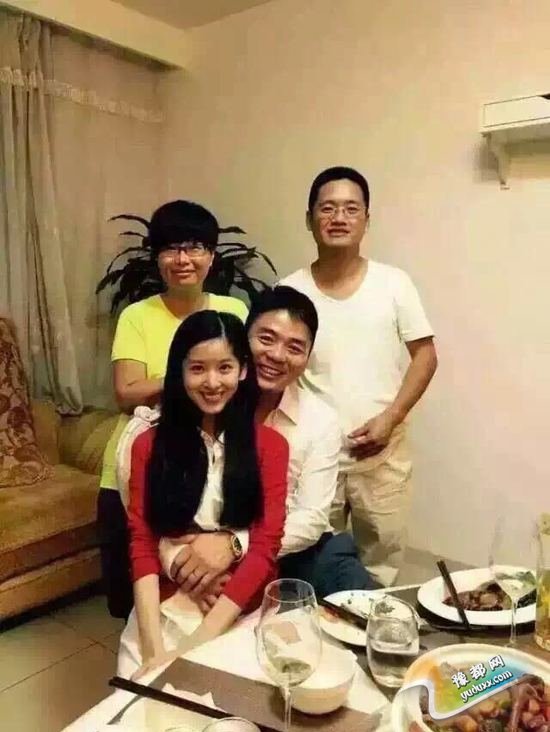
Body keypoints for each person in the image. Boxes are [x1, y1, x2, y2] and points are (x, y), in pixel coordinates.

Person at [164, 286, 380, 606]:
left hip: (296, 549)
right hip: (205, 537)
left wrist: (235, 545)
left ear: (307, 357)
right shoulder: (211, 397)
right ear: (243, 338)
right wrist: (195, 557)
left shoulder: (320, 420)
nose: (277, 355)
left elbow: (311, 517)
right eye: (266, 339)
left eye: (295, 347)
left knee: (370, 606)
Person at [280, 167, 438, 586]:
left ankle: (374, 626)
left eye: (351, 209)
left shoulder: (393, 283)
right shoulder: (289, 292)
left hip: (382, 454)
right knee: (312, 563)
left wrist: (391, 417)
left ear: (367, 219)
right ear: (309, 218)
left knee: (381, 567)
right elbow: (276, 369)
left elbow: (425, 356)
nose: (339, 217)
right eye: (327, 208)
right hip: (315, 460)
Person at [97, 200, 248, 620]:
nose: (183, 259)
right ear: (157, 257)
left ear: (212, 256)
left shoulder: (233, 311)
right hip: (135, 464)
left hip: (211, 465)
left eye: (195, 247)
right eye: (171, 248)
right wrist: (191, 375)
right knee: (130, 592)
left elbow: (244, 384)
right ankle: (140, 654)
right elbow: (126, 392)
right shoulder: (137, 316)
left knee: (202, 586)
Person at [117, 310, 288, 679]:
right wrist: (155, 651)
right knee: (139, 699)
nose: (212, 382)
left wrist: (188, 652)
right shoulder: (148, 444)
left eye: (224, 368)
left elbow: (265, 546)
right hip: (166, 603)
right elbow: (142, 542)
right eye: (197, 369)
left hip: (239, 610)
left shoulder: (270, 447)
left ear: (243, 370)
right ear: (179, 372)